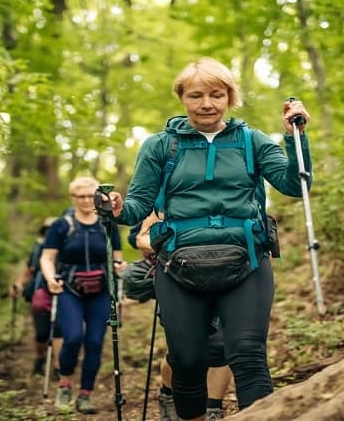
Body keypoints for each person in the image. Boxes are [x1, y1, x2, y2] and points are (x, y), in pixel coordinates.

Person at [109, 57, 311, 420]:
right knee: (188, 360)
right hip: (178, 265)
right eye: (196, 95)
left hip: (246, 260)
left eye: (217, 95)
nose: (206, 104)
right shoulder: (160, 145)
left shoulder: (252, 141)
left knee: (248, 354)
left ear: (230, 97)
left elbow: (295, 185)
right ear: (182, 98)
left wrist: (295, 136)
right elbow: (137, 206)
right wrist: (119, 210)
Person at [129, 214, 233, 421]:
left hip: (223, 273)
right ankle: (168, 394)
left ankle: (213, 409)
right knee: (184, 353)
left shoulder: (224, 192)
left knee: (220, 346)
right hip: (178, 278)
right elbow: (137, 238)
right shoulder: (162, 199)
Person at [39, 176, 126, 414]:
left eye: (91, 196)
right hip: (69, 290)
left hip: (100, 290)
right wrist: (49, 279)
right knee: (74, 337)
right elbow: (47, 258)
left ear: (98, 196)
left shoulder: (107, 223)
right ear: (73, 198)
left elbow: (117, 255)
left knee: (95, 342)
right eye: (81, 196)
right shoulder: (61, 226)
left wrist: (119, 265)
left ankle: (85, 394)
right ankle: (65, 383)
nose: (87, 201)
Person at [11, 218, 62, 377]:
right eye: (47, 230)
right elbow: (30, 271)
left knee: (59, 331)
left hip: (64, 291)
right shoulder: (38, 249)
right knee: (42, 333)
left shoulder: (70, 246)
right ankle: (40, 358)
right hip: (41, 291)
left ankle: (57, 366)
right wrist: (18, 285)